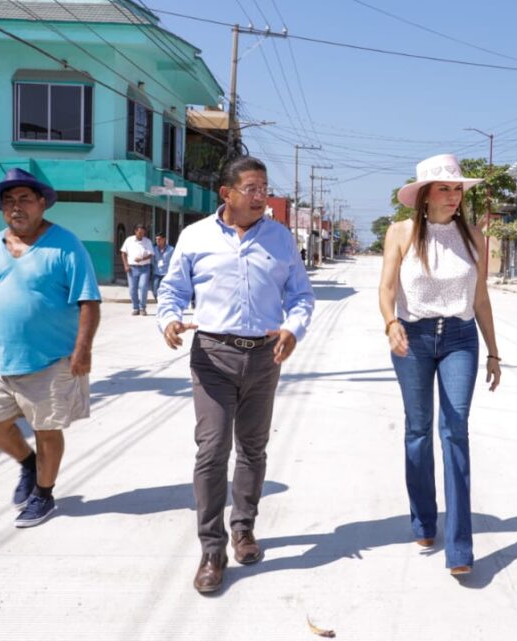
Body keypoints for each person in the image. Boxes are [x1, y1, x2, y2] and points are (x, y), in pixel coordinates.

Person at [156, 156, 315, 594]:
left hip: (264, 358)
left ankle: (243, 528)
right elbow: (172, 289)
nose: (261, 196)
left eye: (265, 187)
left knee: (253, 448)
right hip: (212, 355)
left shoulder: (280, 239)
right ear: (226, 194)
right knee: (211, 451)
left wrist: (292, 329)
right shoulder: (195, 236)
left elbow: (301, 295)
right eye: (252, 188)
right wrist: (168, 318)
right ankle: (212, 548)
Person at [378, 153, 502, 577]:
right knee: (417, 431)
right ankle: (423, 520)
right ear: (425, 195)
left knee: (455, 431)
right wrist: (390, 322)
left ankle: (460, 546)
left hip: (460, 338)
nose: (453, 196)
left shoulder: (473, 236)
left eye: (457, 189)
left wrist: (494, 351)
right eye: (445, 189)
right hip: (412, 338)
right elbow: (387, 287)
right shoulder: (400, 233)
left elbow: (480, 298)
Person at [0, 168, 101, 528]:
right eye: (8, 201)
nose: (16, 207)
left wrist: (83, 348)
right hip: (2, 361)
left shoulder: (65, 244)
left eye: (24, 199)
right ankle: (28, 464)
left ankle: (44, 494)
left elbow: (88, 299)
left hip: (52, 360)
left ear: (42, 203)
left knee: (47, 430)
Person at [121, 224, 153, 315]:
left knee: (143, 287)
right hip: (132, 268)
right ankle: (136, 308)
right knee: (132, 289)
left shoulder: (147, 241)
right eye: (140, 232)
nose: (141, 234)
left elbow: (151, 254)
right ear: (135, 231)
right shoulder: (129, 240)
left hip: (145, 268)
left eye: (143, 233)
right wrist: (126, 265)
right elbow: (123, 253)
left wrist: (142, 259)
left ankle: (143, 307)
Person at [151, 232, 174, 301]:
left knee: (167, 289)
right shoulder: (154, 249)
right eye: (156, 239)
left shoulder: (171, 249)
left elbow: (174, 261)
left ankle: (164, 301)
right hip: (157, 272)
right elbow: (152, 260)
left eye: (159, 239)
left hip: (167, 273)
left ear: (164, 239)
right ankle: (158, 299)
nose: (157, 241)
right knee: (155, 290)